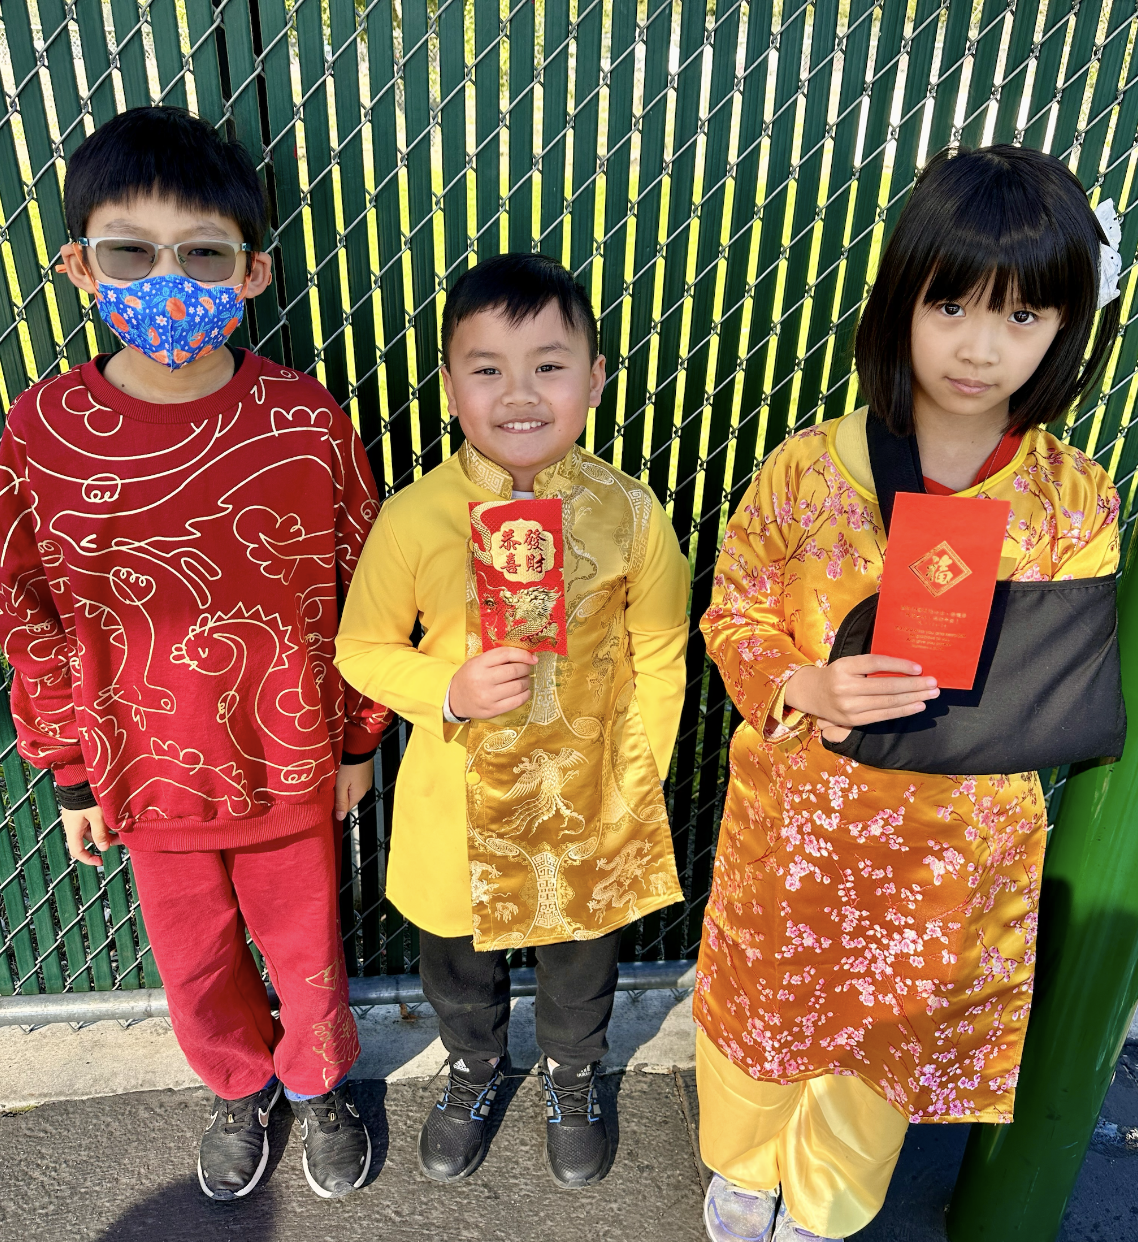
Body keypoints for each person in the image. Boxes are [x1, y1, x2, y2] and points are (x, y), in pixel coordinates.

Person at [693, 145, 1124, 1242]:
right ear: (900, 301)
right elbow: (733, 610)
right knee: (762, 1012)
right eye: (950, 304)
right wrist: (800, 681)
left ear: (1068, 326)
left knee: (883, 1045)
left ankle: (825, 1203)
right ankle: (744, 1165)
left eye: (1022, 315)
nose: (980, 347)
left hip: (949, 853)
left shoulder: (1075, 501)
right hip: (799, 825)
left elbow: (1059, 684)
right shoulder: (807, 469)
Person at [0, 106, 389, 1202]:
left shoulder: (303, 421)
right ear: (80, 267)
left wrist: (358, 738)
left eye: (203, 255)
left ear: (252, 272)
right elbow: (28, 609)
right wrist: (68, 770)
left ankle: (315, 1080)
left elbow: (363, 585)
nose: (168, 280)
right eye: (132, 252)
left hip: (289, 763)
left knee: (306, 946)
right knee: (194, 958)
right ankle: (236, 1084)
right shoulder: (43, 431)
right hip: (142, 775)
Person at [335, 253, 690, 1189]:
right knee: (455, 956)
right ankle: (475, 1067)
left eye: (549, 365)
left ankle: (574, 1074)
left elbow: (661, 647)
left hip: (588, 791)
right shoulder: (417, 516)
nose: (521, 393)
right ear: (451, 386)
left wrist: (637, 771)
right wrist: (447, 688)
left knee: (582, 955)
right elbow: (361, 647)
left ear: (595, 379)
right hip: (459, 797)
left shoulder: (631, 514)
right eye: (487, 368)